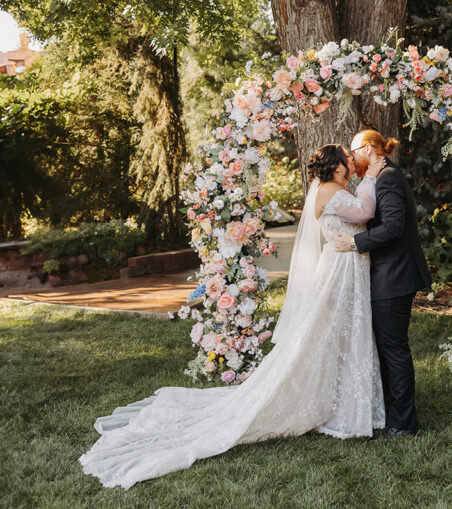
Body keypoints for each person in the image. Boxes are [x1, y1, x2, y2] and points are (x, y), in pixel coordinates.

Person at [79, 144, 387, 489]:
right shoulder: (332, 191)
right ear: (339, 168)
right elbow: (364, 212)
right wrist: (372, 177)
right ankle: (333, 405)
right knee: (332, 331)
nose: (352, 160)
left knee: (339, 332)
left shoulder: (334, 188)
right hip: (340, 272)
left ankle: (338, 400)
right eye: (348, 157)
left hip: (347, 267)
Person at [333, 130, 432, 438]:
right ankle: (393, 413)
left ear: (369, 149)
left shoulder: (387, 177)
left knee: (394, 349)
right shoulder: (385, 174)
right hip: (392, 273)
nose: (351, 159)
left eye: (353, 152)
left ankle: (404, 425)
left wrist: (354, 242)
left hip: (394, 275)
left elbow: (392, 226)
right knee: (389, 347)